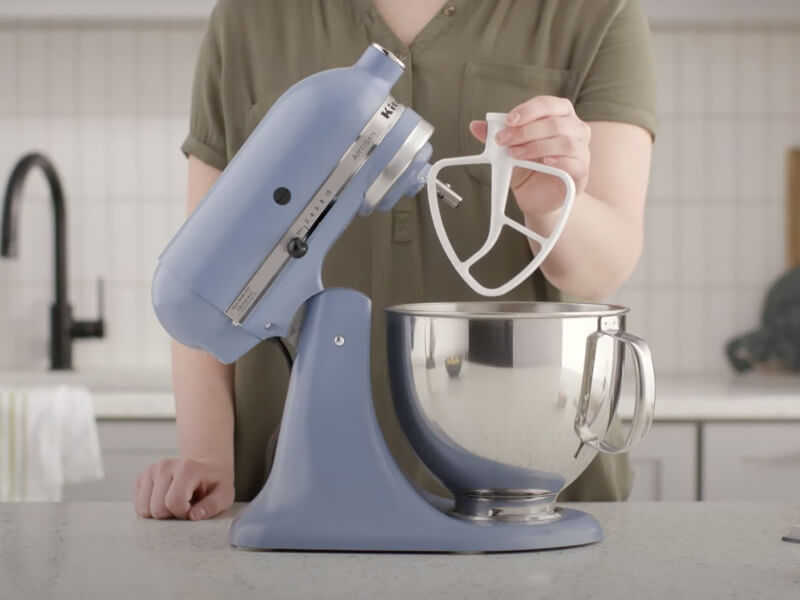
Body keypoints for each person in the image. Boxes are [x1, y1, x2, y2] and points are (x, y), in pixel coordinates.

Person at [135, 0, 656, 520]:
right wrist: (206, 459)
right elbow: (207, 267)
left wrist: (551, 204)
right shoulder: (251, 16)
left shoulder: (593, 11)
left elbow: (600, 270)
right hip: (288, 490)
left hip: (529, 484)